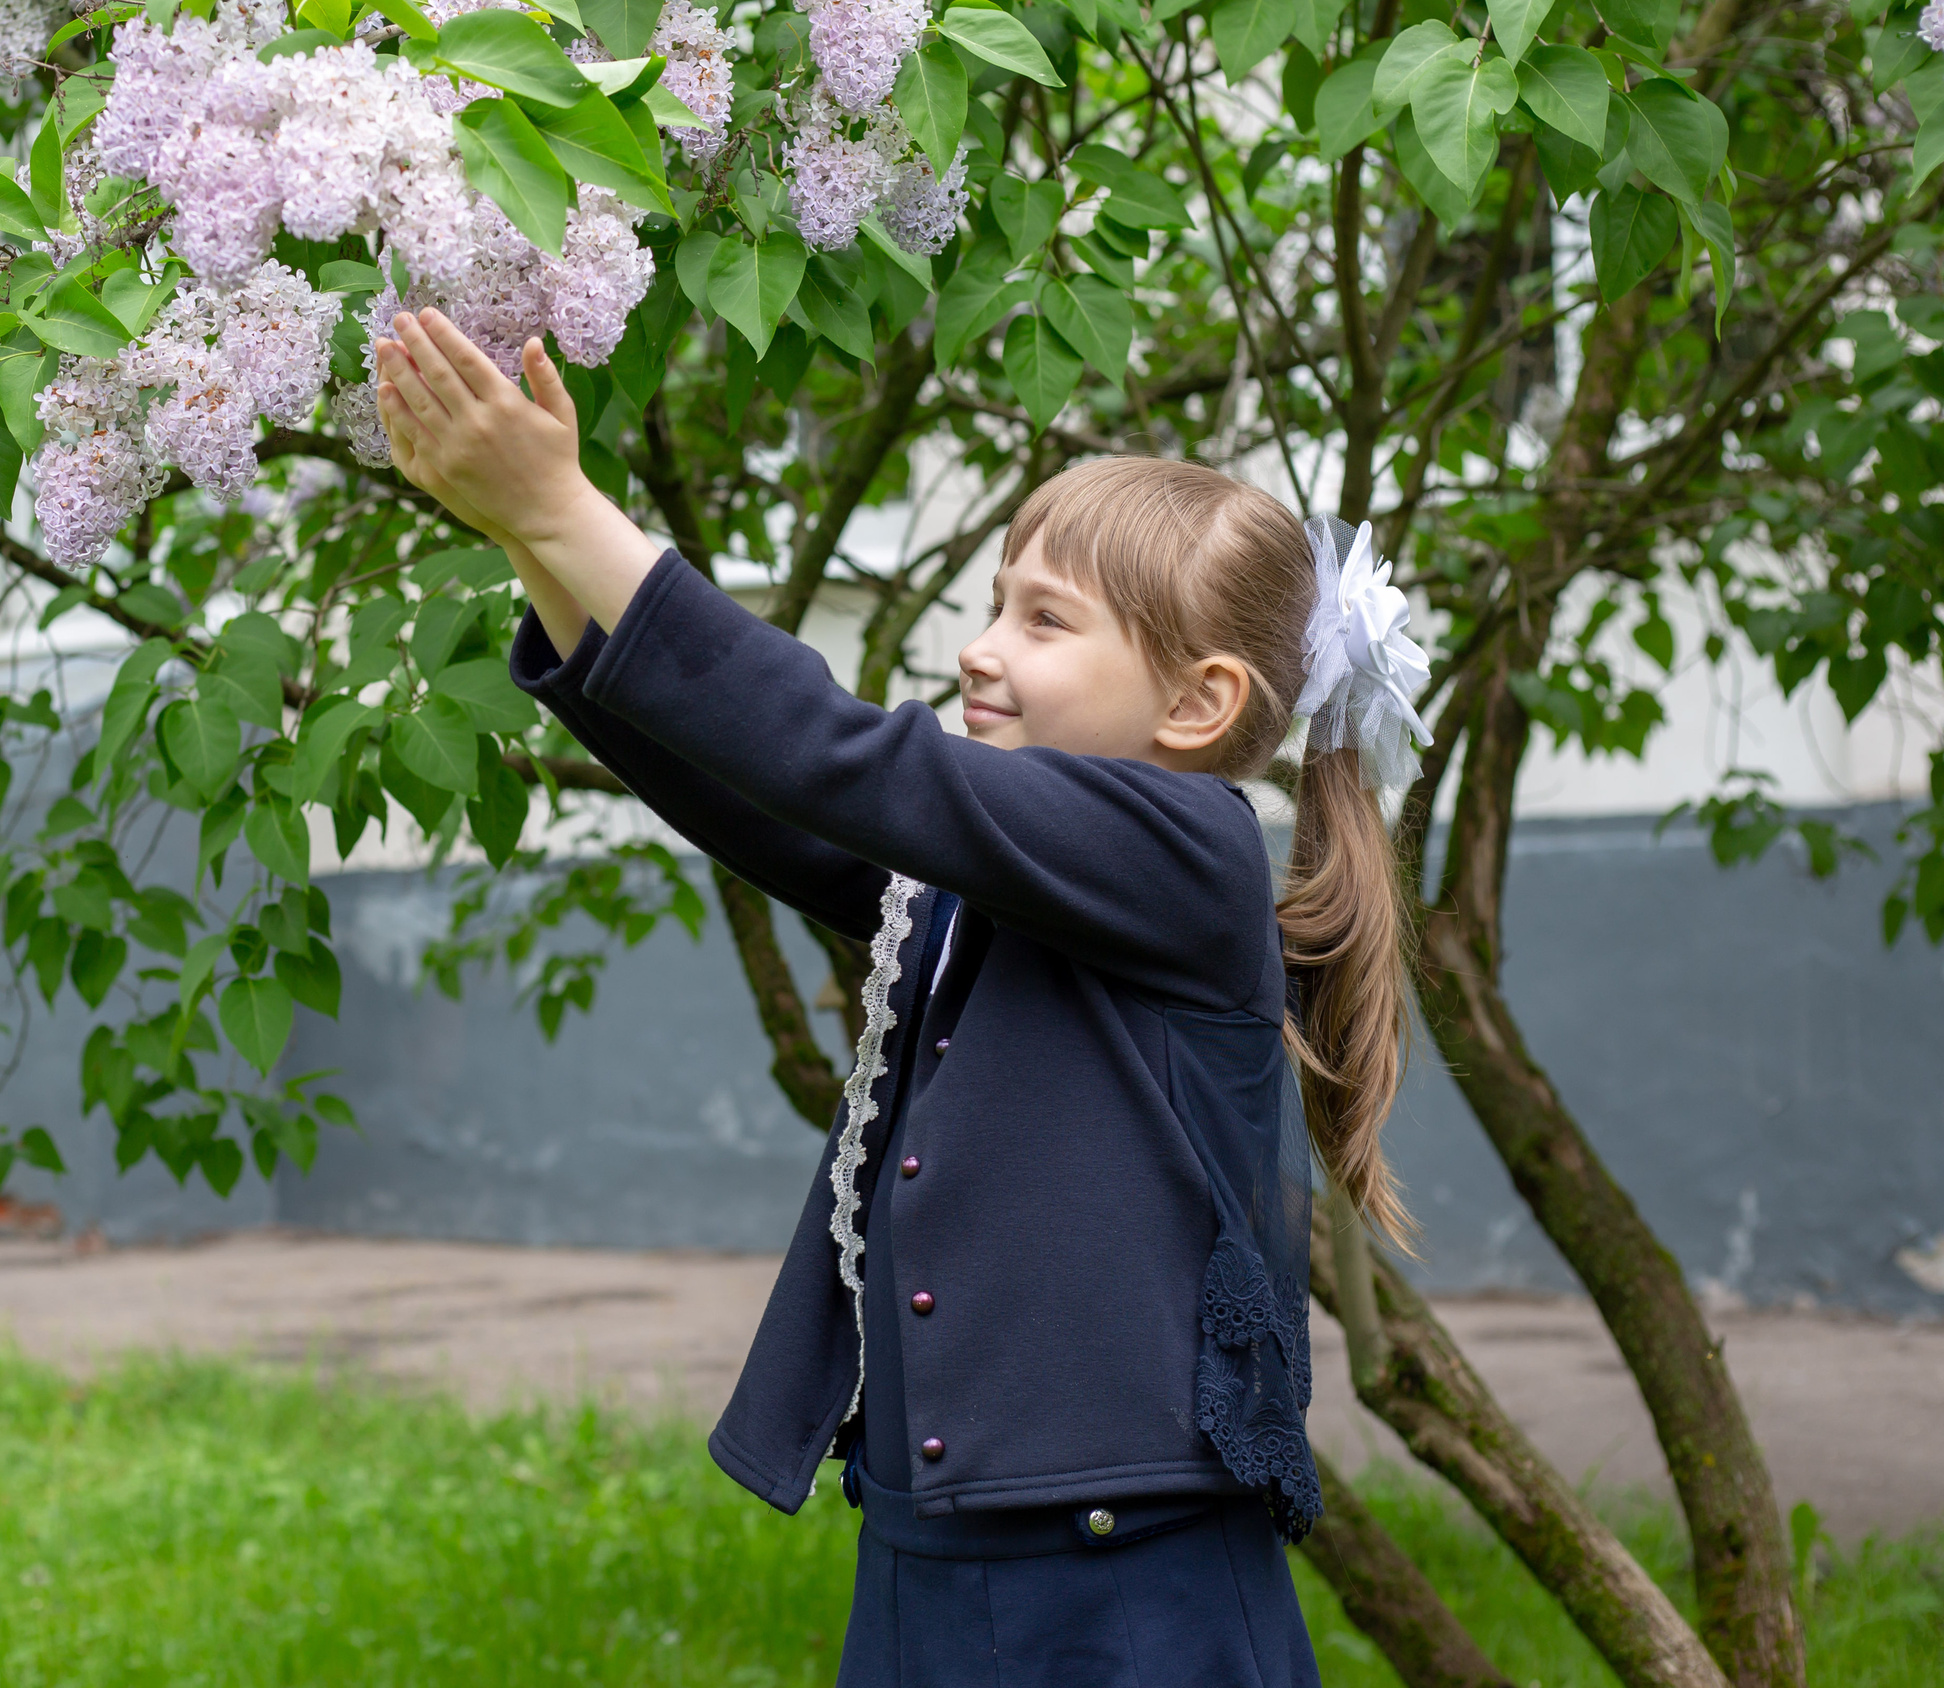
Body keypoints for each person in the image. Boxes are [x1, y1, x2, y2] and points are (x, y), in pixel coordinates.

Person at [372, 310, 1432, 1688]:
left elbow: (838, 760)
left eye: (1045, 621)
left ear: (1198, 702)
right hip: (937, 1568)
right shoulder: (983, 884)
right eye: (996, 602)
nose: (982, 649)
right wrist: (523, 529)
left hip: (1120, 1594)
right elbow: (762, 790)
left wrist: (567, 509)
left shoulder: (1187, 846)